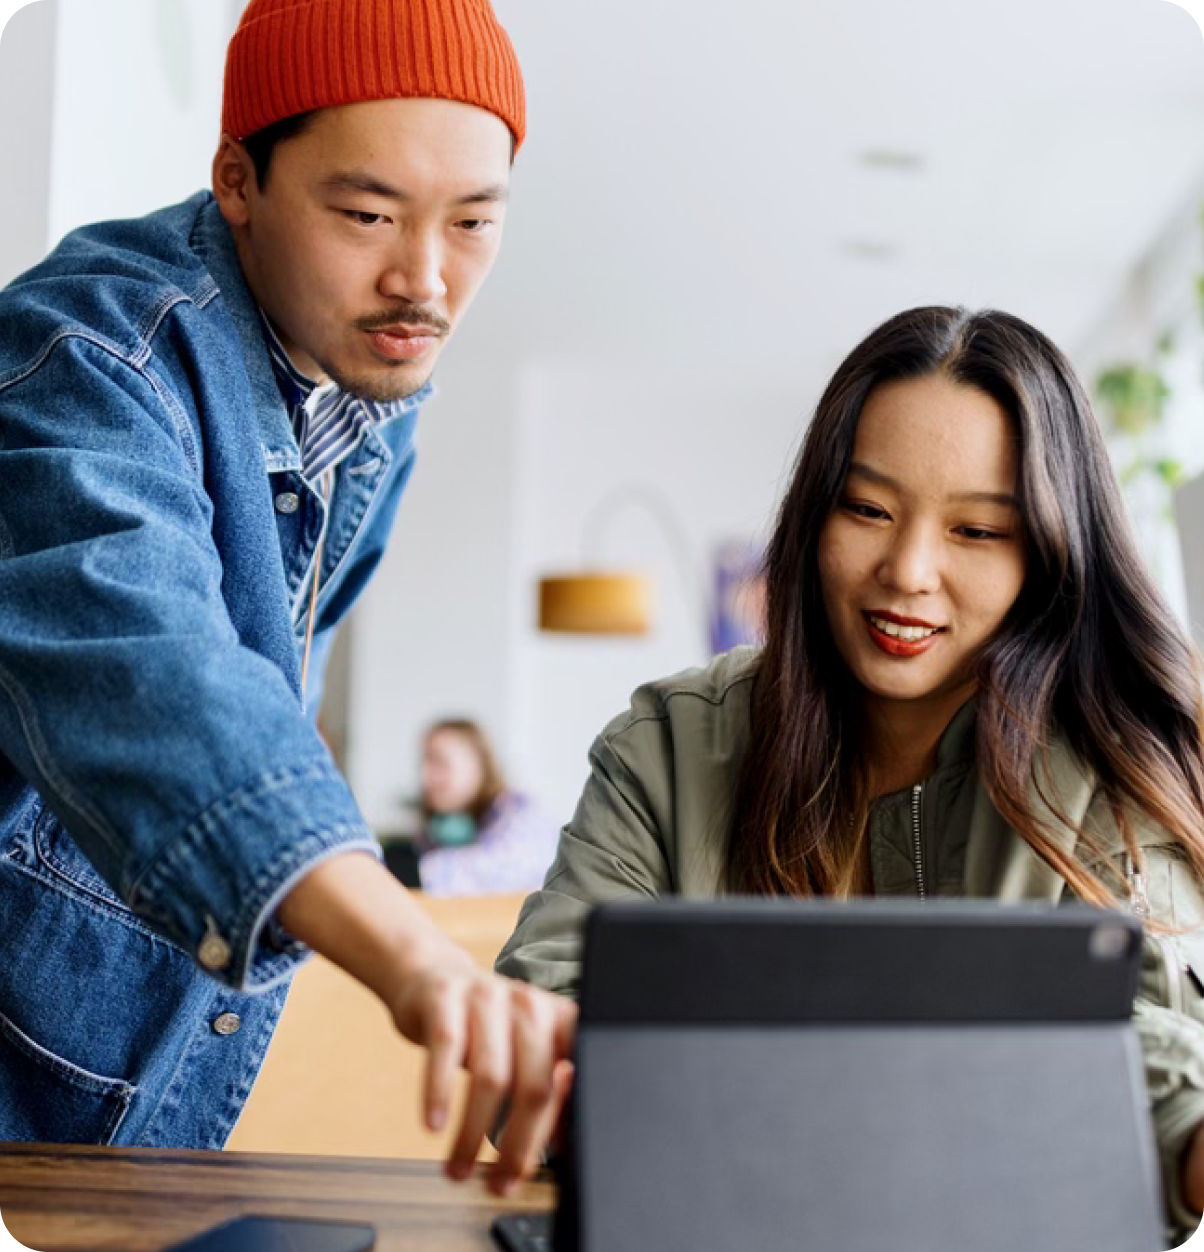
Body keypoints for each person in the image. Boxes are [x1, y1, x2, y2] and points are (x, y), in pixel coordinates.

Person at [0, 0, 573, 1192]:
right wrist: (417, 957)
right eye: (367, 214)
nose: (425, 279)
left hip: (124, 1097)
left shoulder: (371, 401)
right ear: (238, 179)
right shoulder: (87, 352)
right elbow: (157, 675)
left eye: (474, 222)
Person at [496, 305, 1204, 1238]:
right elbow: (538, 1031)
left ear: (1051, 556)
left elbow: (1149, 1070)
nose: (907, 571)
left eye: (978, 531)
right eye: (867, 509)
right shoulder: (668, 743)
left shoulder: (1112, 763)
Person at [409, 719, 560, 896]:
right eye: (424, 763)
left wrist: (413, 871)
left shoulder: (522, 814)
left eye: (440, 762)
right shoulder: (437, 829)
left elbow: (503, 874)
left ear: (478, 764)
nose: (426, 776)